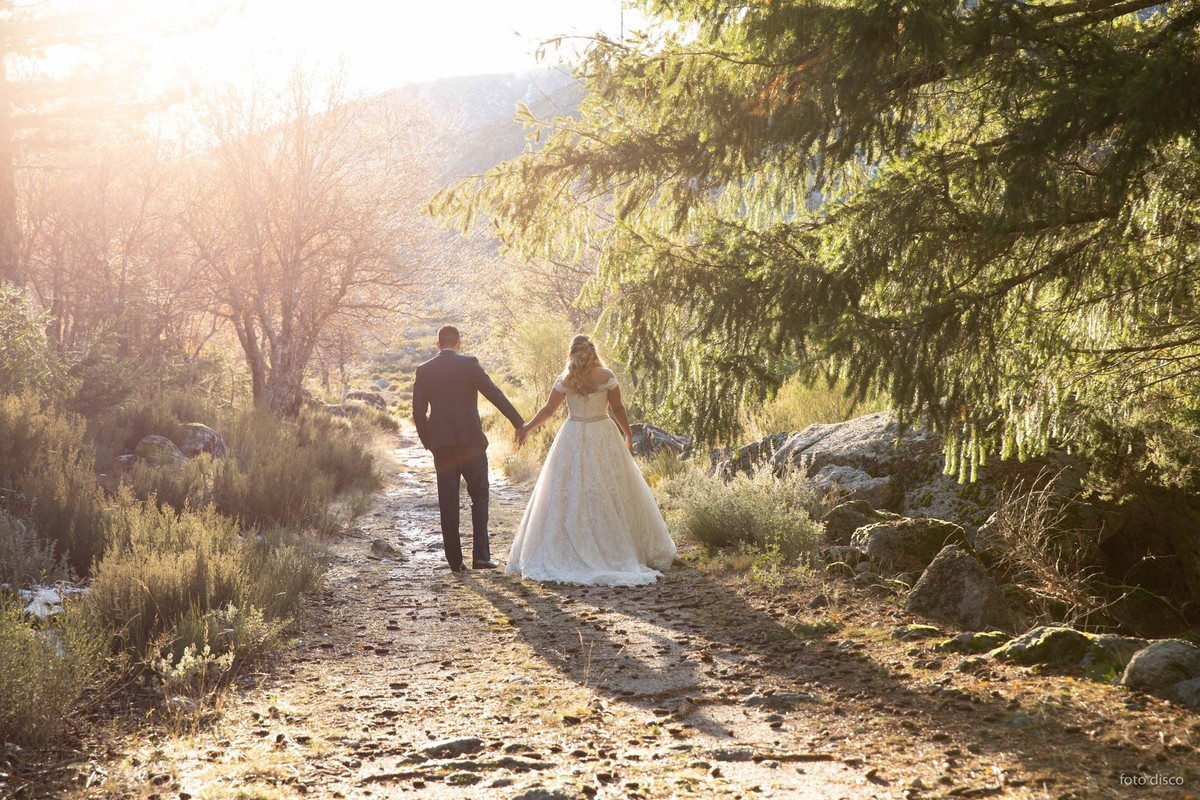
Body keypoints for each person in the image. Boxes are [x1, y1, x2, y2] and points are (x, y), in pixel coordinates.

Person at [506, 334, 676, 586]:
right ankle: (619, 546)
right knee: (611, 487)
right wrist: (628, 434)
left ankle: (572, 544)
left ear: (572, 354)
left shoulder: (566, 379)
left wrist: (527, 428)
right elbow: (618, 409)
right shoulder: (606, 376)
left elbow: (548, 410)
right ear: (593, 351)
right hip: (603, 434)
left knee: (570, 488)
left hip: (573, 433)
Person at [412, 325, 525, 572]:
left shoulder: (424, 371)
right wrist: (519, 423)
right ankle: (481, 556)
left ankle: (455, 561)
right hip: (471, 442)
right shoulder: (469, 364)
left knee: (448, 501)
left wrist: (429, 443)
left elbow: (418, 413)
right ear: (459, 343)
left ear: (437, 344)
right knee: (480, 495)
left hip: (442, 445)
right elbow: (494, 393)